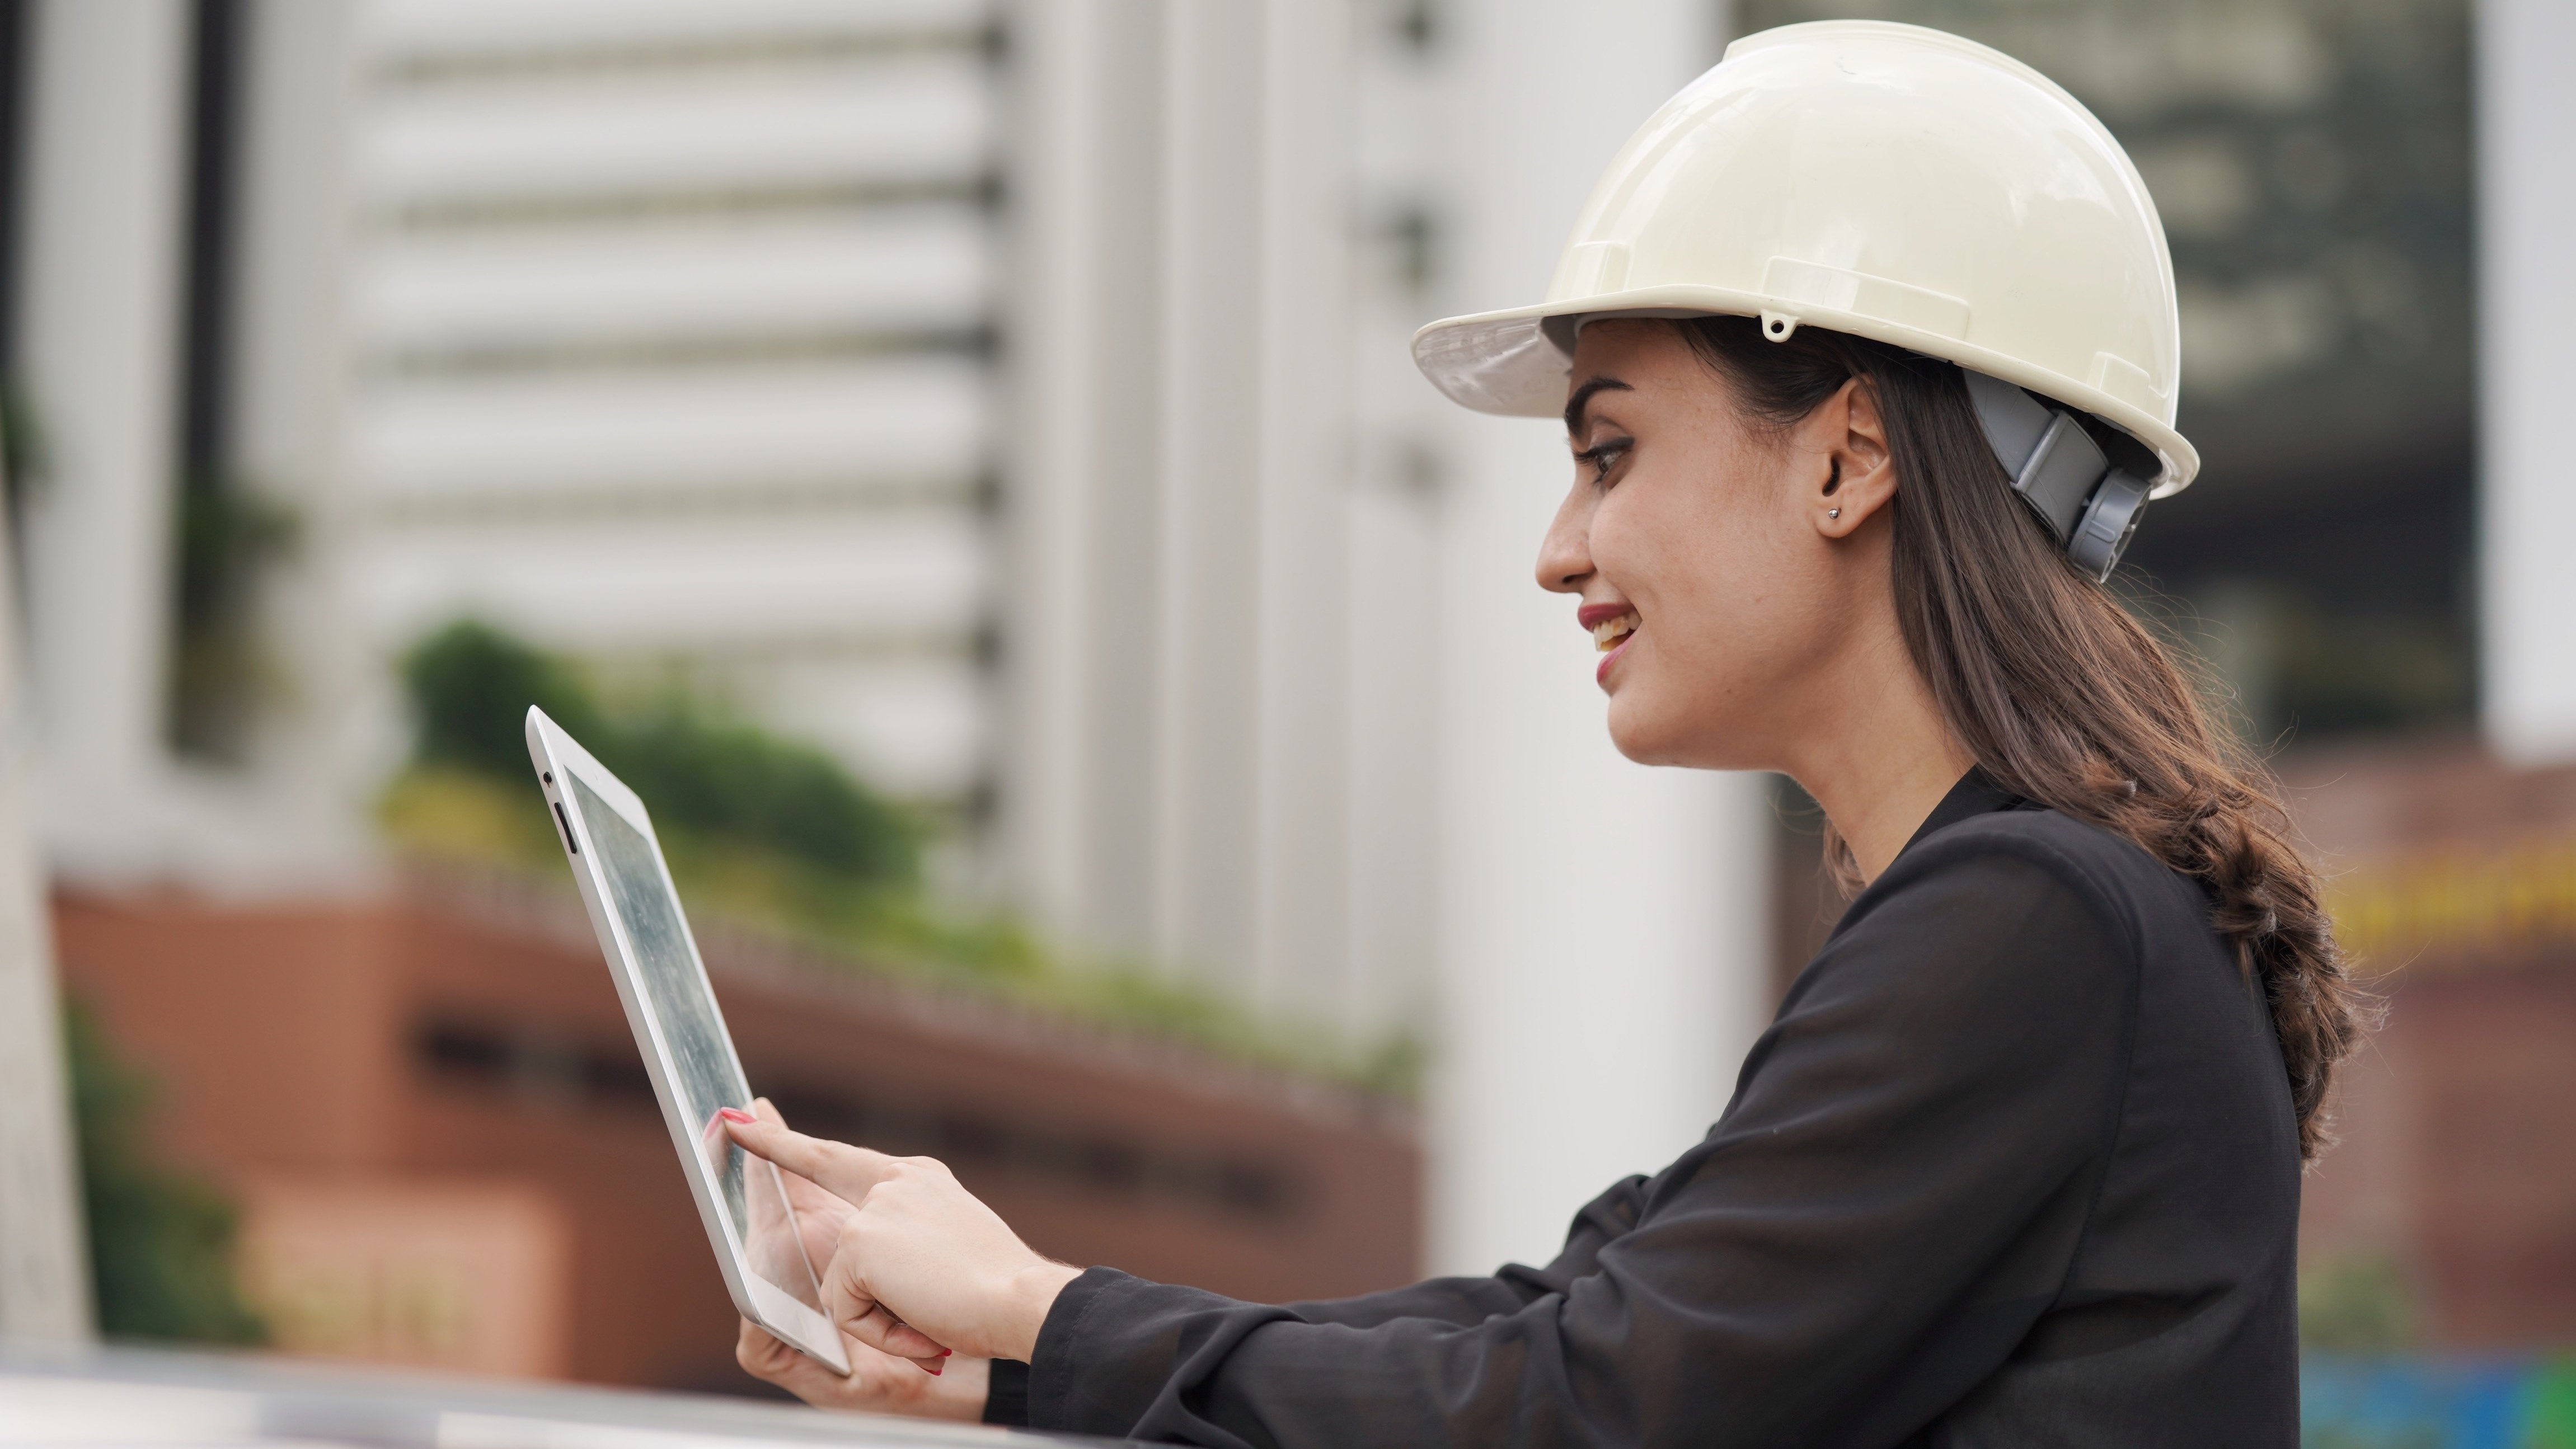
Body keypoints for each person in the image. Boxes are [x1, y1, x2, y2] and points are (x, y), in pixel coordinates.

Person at [718, 21, 2366, 1446]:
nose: (1558, 550)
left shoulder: (2034, 922)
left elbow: (1575, 1407)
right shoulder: (2029, 913)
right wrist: (1012, 1357)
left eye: (1608, 453)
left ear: (1847, 456)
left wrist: (1041, 1310)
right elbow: (1561, 1324)